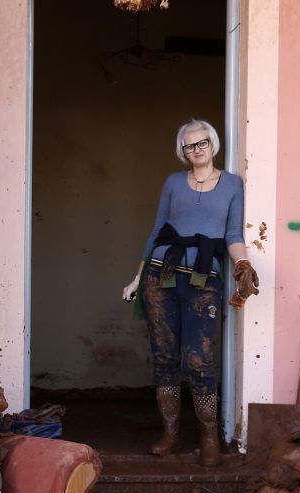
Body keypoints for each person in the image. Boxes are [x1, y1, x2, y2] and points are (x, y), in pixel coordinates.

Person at [122, 118, 258, 466]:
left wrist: (243, 265)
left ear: (213, 144)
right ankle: (170, 434)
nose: (196, 150)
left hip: (203, 281)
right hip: (160, 276)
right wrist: (138, 277)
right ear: (182, 151)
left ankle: (209, 436)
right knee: (165, 358)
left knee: (199, 360)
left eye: (202, 143)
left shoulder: (232, 185)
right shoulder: (172, 183)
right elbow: (157, 231)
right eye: (189, 146)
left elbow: (232, 234)